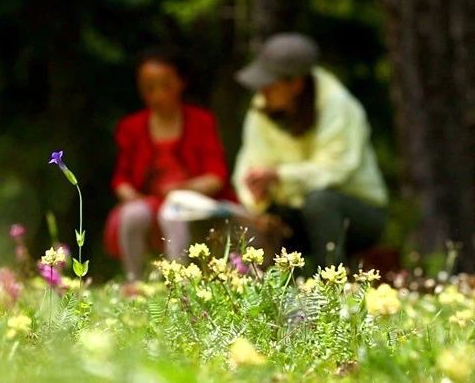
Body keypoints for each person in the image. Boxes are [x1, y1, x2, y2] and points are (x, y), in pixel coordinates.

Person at [233, 33, 388, 266]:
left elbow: (335, 170)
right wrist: (257, 195)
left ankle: (332, 281)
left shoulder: (338, 104)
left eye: (269, 84)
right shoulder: (261, 106)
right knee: (254, 218)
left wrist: (279, 176)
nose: (262, 90)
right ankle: (261, 285)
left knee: (320, 202)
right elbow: (248, 166)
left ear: (296, 83)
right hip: (296, 211)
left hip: (358, 213)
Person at [103, 48, 234, 281]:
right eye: (149, 87)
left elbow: (216, 177)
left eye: (165, 85)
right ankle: (134, 283)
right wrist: (131, 196)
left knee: (173, 214)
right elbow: (121, 178)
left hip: (192, 203)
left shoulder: (201, 121)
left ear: (181, 83)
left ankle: (178, 283)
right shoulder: (131, 127)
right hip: (150, 203)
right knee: (131, 214)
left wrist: (182, 189)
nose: (157, 95)